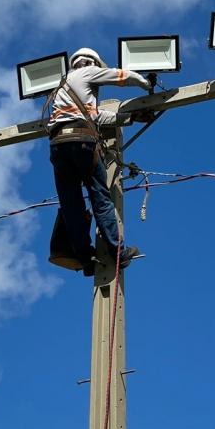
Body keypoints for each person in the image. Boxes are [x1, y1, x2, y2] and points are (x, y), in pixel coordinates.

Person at [48, 47, 151, 276]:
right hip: (82, 143)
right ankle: (119, 253)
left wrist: (129, 118)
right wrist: (146, 84)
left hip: (58, 145)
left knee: (71, 206)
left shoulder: (60, 87)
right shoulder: (87, 71)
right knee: (100, 199)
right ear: (90, 62)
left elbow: (94, 116)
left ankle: (85, 260)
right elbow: (123, 76)